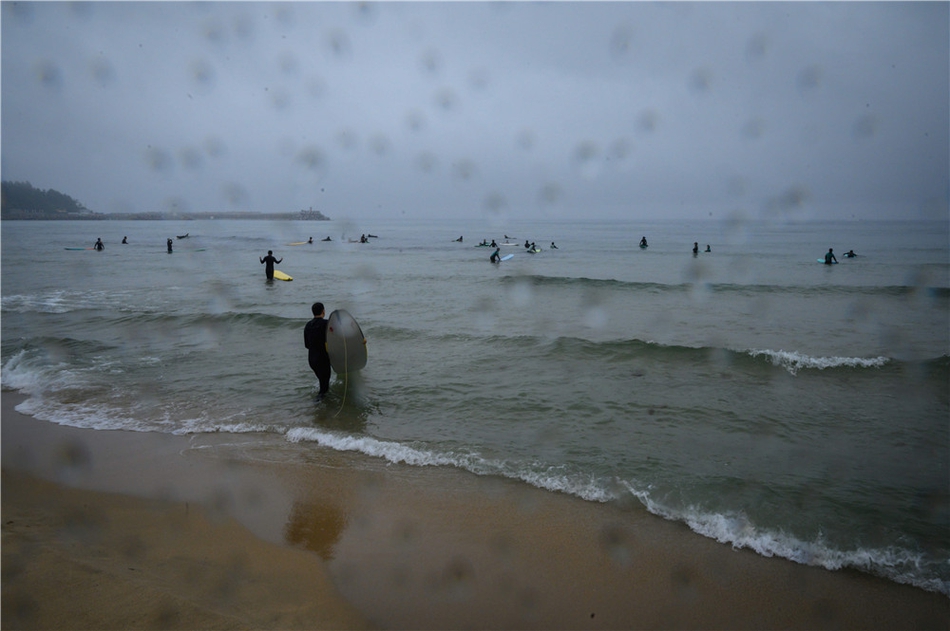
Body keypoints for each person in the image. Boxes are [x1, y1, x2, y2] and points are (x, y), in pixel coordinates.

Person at [304, 302, 332, 399]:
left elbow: (307, 345)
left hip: (312, 360)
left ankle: (320, 403)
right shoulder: (326, 324)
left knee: (322, 382)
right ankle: (319, 404)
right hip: (323, 359)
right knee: (324, 388)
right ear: (323, 311)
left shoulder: (308, 325)